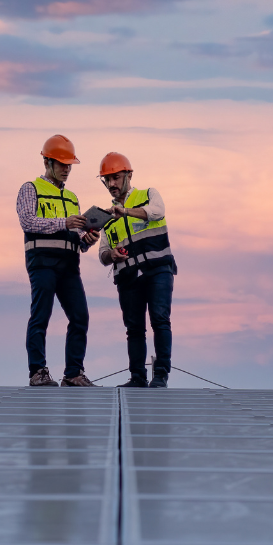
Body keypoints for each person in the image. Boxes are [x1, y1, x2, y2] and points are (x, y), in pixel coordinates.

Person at [17, 135, 100, 387]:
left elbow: (76, 239)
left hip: (69, 266)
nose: (67, 169)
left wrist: (88, 239)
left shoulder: (73, 197)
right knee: (40, 316)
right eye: (62, 164)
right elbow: (28, 221)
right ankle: (38, 372)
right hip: (42, 263)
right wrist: (63, 223)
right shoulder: (30, 189)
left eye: (69, 165)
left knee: (80, 316)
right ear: (47, 162)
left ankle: (73, 373)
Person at [95, 152, 177, 388]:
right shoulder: (104, 217)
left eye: (116, 178)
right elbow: (102, 254)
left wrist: (127, 211)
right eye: (107, 180)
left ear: (129, 175)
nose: (111, 184)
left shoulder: (148, 194)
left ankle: (160, 376)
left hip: (157, 270)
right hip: (128, 277)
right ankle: (137, 377)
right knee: (134, 329)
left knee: (160, 320)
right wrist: (112, 255)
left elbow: (157, 212)